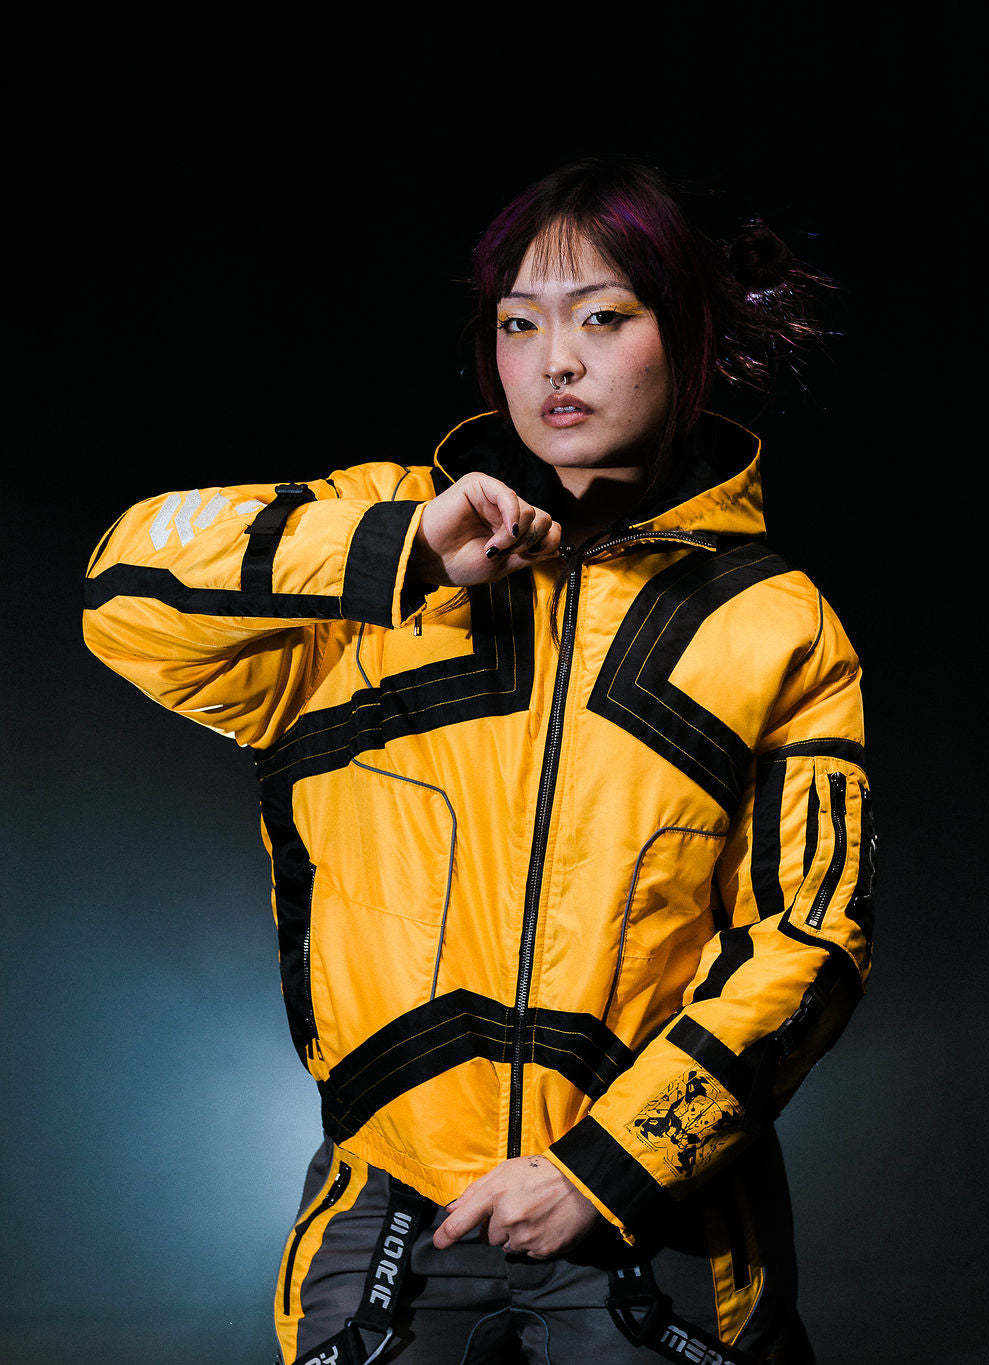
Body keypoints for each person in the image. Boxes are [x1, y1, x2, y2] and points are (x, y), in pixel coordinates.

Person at [82, 156, 875, 1364]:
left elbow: (810, 940)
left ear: (692, 334)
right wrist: (404, 548)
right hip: (387, 1209)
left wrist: (604, 1169)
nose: (555, 362)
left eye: (603, 317)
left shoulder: (775, 625)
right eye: (519, 323)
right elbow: (124, 590)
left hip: (655, 1219)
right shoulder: (379, 542)